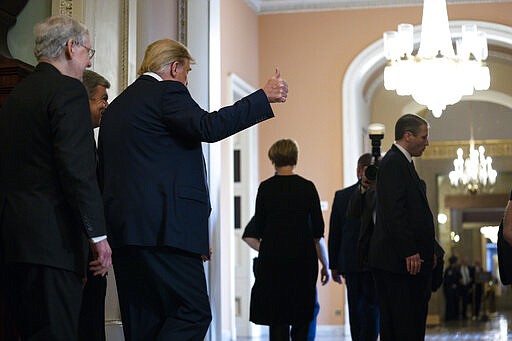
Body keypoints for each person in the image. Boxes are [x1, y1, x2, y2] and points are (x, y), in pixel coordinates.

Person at [98, 38, 288, 340]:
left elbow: (104, 174)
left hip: (125, 236)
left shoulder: (118, 107)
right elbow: (208, 126)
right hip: (166, 233)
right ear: (174, 67)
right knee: (193, 312)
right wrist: (262, 97)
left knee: (144, 324)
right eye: (187, 73)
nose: (186, 81)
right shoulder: (167, 91)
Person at [0, 15, 112, 340]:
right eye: (88, 51)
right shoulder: (67, 90)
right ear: (70, 47)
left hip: (13, 243)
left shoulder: (17, 96)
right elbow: (78, 170)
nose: (89, 60)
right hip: (53, 245)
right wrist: (98, 237)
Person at [248, 139, 329, 341]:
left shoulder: (265, 188)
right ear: (295, 158)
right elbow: (318, 231)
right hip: (302, 261)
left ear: (273, 158)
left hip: (273, 261)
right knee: (302, 318)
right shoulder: (307, 187)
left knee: (277, 319)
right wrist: (325, 265)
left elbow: (259, 227)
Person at [368, 113, 437, 341]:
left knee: (410, 325)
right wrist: (410, 250)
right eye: (423, 137)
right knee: (402, 327)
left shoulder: (402, 162)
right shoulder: (393, 163)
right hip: (399, 264)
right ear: (408, 136)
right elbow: (395, 211)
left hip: (406, 263)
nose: (427, 143)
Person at [328, 153, 379, 341]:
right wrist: (333, 265)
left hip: (375, 262)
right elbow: (335, 232)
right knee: (355, 308)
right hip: (351, 262)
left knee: (374, 309)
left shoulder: (384, 195)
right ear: (359, 171)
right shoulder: (342, 196)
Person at [243, 219, 319, 340]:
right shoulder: (306, 207)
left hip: (276, 271)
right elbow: (317, 239)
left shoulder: (271, 207)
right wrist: (326, 264)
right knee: (305, 315)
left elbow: (248, 236)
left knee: (278, 316)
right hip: (301, 270)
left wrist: (269, 250)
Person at [78, 69, 111, 341]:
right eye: (102, 99)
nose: (106, 106)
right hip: (83, 251)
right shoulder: (78, 138)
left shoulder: (89, 137)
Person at [443, 256, 461, 321]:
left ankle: (455, 317)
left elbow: (459, 278)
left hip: (456, 290)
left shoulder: (457, 270)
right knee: (449, 304)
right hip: (449, 291)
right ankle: (449, 317)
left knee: (456, 303)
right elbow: (446, 280)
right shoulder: (448, 270)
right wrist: (451, 285)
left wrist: (457, 283)